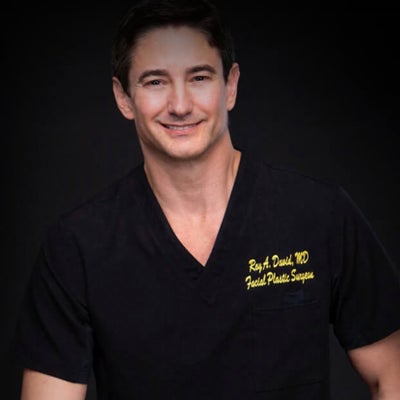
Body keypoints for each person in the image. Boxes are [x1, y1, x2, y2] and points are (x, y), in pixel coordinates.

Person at [17, 0, 400, 399]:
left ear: (230, 86)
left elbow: (391, 373)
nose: (181, 106)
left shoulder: (319, 215)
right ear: (123, 97)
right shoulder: (77, 246)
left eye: (199, 77)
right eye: (155, 82)